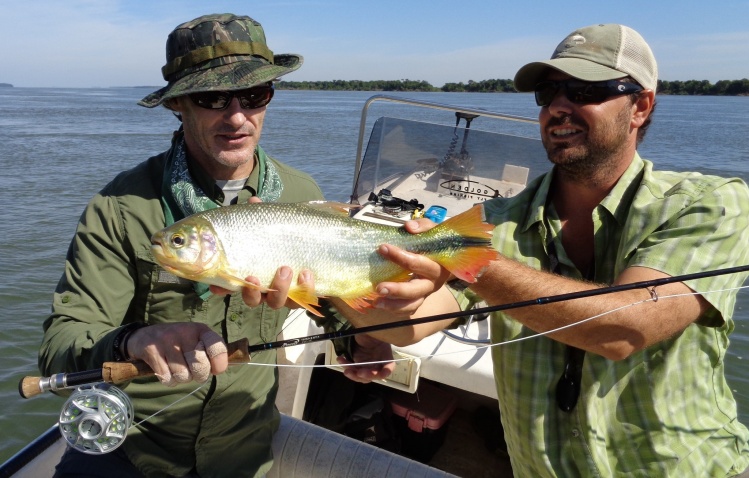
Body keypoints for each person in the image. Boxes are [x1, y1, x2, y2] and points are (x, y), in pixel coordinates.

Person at [287, 23, 749, 476]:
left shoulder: (711, 203)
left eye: (585, 90)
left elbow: (623, 331)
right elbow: (412, 326)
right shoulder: (495, 220)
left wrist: (465, 259)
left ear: (640, 106)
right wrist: (324, 285)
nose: (559, 107)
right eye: (548, 93)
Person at [39, 13, 332, 478]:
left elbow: (333, 304)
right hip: (131, 446)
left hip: (244, 449)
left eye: (254, 94)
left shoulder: (302, 194)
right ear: (178, 104)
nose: (237, 116)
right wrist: (133, 340)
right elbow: (60, 344)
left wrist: (367, 343)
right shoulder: (121, 205)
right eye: (211, 97)